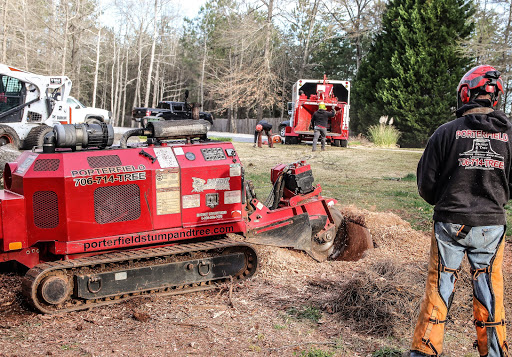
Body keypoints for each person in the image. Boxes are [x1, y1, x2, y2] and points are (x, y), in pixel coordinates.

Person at [411, 65, 510, 356]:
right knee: (490, 291)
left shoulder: (445, 133)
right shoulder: (510, 134)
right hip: (491, 226)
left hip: (449, 223)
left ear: (465, 93)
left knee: (439, 288)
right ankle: (494, 353)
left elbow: (426, 186)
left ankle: (424, 352)